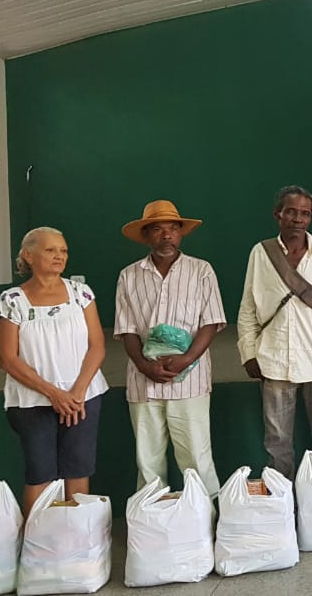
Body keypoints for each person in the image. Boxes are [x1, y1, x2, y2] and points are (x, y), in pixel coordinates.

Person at [238, 185, 312, 480]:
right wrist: (248, 352)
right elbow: (247, 308)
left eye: (304, 213)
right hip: (273, 360)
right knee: (277, 442)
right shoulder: (261, 252)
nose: (297, 219)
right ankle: (282, 502)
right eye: (291, 211)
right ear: (277, 213)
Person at [115, 200, 226, 497]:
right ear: (146, 236)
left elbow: (211, 322)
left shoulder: (201, 271)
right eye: (157, 229)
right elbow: (126, 329)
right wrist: (144, 365)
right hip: (143, 383)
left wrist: (186, 359)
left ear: (181, 234)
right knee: (148, 462)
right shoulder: (129, 276)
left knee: (197, 460)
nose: (166, 235)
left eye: (173, 229)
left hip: (190, 381)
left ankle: (206, 524)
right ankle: (154, 527)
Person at [0, 227, 108, 513]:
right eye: (50, 250)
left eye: (64, 250)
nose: (59, 256)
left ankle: (74, 546)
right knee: (40, 474)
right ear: (27, 254)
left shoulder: (81, 293)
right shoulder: (11, 300)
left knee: (78, 469)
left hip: (82, 398)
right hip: (33, 402)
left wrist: (77, 392)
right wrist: (54, 394)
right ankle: (38, 547)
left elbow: (97, 346)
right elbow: (8, 359)